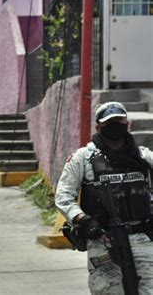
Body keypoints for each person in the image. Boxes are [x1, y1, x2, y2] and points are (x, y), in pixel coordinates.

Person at [55, 102, 153, 294]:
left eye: (119, 120)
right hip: (103, 239)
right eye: (109, 122)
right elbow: (63, 197)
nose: (115, 125)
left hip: (142, 238)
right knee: (107, 291)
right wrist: (83, 220)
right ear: (99, 127)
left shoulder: (143, 157)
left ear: (128, 124)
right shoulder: (83, 158)